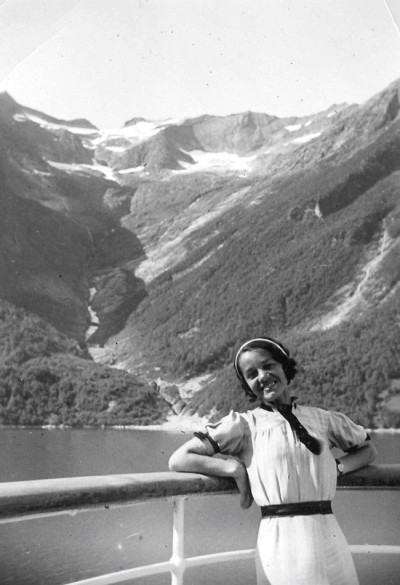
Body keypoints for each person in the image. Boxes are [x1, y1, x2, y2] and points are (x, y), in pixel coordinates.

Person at [169, 336, 377, 585]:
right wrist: (232, 468)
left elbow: (367, 450)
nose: (263, 376)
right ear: (247, 385)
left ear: (284, 367)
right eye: (251, 374)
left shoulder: (323, 419)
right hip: (284, 539)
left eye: (268, 366)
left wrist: (338, 467)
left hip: (329, 532)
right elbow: (179, 459)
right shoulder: (245, 425)